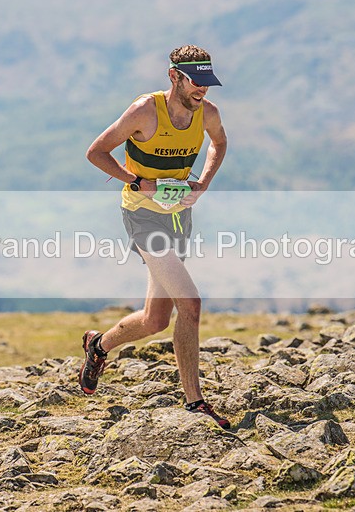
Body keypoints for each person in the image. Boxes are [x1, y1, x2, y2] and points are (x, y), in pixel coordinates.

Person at [79, 44, 230, 429]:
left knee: (155, 320)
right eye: (195, 82)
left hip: (178, 219)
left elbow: (219, 143)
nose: (202, 90)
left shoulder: (208, 113)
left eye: (207, 83)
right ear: (174, 76)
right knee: (190, 304)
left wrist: (203, 183)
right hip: (142, 218)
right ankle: (195, 403)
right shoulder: (145, 111)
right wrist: (136, 181)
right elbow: (96, 152)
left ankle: (98, 346)